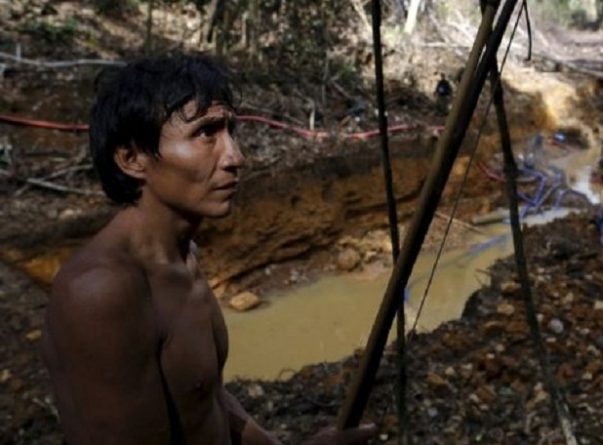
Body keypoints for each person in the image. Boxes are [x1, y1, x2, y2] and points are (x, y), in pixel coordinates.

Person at [40, 55, 377, 445]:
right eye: (205, 133)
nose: (235, 157)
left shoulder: (183, 257)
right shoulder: (102, 293)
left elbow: (205, 398)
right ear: (132, 158)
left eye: (230, 130)